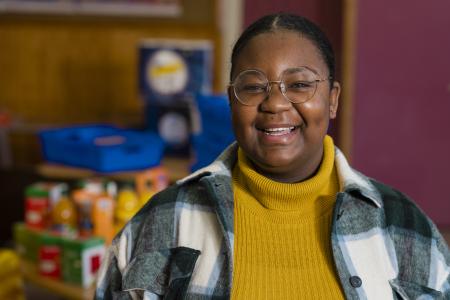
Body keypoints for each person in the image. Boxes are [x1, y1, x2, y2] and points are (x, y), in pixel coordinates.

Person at [95, 13, 450, 299]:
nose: (276, 103)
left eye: (299, 84)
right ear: (232, 102)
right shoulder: (160, 222)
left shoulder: (405, 227)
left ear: (333, 99)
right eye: (253, 87)